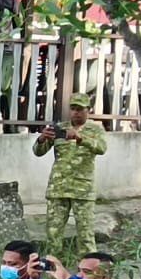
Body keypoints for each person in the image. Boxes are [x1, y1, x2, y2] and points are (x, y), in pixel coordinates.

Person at [34, 93, 107, 260]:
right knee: (53, 234)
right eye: (73, 109)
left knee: (86, 235)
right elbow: (38, 152)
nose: (76, 113)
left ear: (88, 110)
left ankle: (89, 275)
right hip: (58, 189)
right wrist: (42, 138)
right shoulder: (61, 128)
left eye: (80, 109)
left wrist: (78, 137)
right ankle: (54, 272)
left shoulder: (95, 130)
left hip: (83, 190)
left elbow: (102, 148)